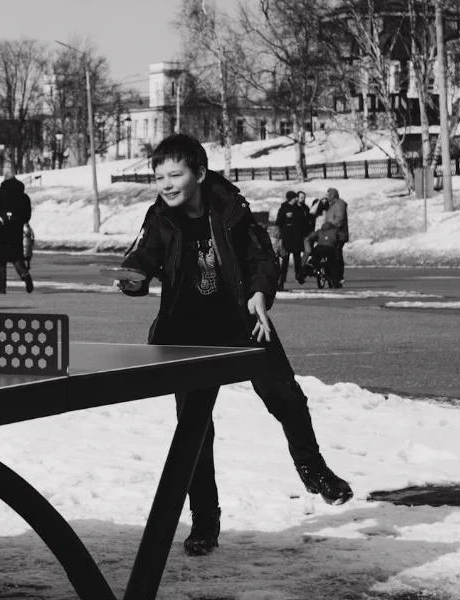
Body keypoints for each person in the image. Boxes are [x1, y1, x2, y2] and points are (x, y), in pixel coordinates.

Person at [117, 134, 352, 557]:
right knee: (195, 431)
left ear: (200, 174)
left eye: (175, 174)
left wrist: (261, 293)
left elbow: (263, 259)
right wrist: (132, 279)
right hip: (186, 334)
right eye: (159, 177)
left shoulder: (232, 210)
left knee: (287, 398)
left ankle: (314, 470)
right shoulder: (159, 217)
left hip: (242, 324)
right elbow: (141, 257)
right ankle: (205, 522)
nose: (166, 184)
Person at [0, 165, 34, 294]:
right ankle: (24, 274)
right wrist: (19, 222)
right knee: (16, 257)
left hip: (0, 231)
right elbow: (27, 215)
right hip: (15, 231)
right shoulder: (23, 196)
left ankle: (1, 286)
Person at [275, 190, 309, 289]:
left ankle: (299, 276)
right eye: (295, 197)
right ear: (291, 198)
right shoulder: (284, 208)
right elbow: (279, 222)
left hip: (297, 238)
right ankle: (281, 281)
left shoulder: (298, 209)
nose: (296, 199)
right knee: (285, 261)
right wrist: (280, 236)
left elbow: (303, 222)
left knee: (297, 259)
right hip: (286, 239)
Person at [321, 188, 349, 288]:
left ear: (333, 195)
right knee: (332, 255)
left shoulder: (339, 204)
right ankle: (333, 276)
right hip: (331, 234)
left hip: (338, 235)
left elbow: (339, 220)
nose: (327, 197)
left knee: (336, 255)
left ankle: (338, 277)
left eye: (329, 195)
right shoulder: (332, 205)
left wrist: (329, 224)